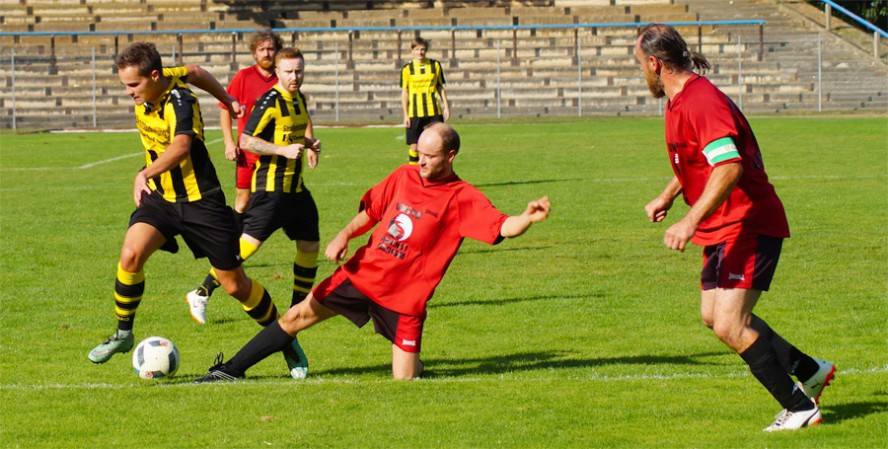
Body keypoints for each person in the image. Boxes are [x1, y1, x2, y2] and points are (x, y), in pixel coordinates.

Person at [192, 122, 550, 382]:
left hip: (405, 298)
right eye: (418, 154)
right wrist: (343, 235)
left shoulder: (463, 197)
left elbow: (502, 227)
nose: (420, 161)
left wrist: (526, 217)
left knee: (404, 380)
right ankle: (229, 370)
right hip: (364, 274)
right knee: (295, 317)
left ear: (451, 156)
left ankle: (415, 363)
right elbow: (372, 212)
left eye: (429, 156)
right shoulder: (404, 176)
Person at [634, 24, 835, 432]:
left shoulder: (699, 101)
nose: (640, 71)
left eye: (640, 64)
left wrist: (688, 221)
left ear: (655, 64)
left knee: (730, 324)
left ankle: (800, 408)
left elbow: (728, 165)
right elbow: (701, 160)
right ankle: (808, 369)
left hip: (748, 221)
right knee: (713, 316)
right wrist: (669, 195)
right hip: (724, 224)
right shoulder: (678, 102)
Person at [87, 43, 304, 379]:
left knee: (235, 286)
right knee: (130, 254)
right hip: (161, 200)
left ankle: (285, 339)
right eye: (125, 86)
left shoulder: (180, 100)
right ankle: (123, 333)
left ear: (154, 76)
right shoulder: (161, 80)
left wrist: (144, 172)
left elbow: (181, 146)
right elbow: (197, 70)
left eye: (133, 85)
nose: (129, 92)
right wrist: (228, 98)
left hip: (202, 203)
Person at [184, 47, 319, 376]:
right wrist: (282, 150)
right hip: (270, 194)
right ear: (279, 71)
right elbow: (247, 140)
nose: (294, 77)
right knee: (241, 253)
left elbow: (295, 131)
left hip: (296, 192)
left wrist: (311, 145)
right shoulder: (269, 101)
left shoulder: (299, 100)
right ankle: (202, 291)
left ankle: (295, 313)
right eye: (289, 72)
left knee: (310, 247)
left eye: (299, 71)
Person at [401, 36, 450, 165]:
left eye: (422, 49)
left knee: (438, 144)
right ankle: (414, 177)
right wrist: (405, 114)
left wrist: (446, 106)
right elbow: (405, 92)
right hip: (414, 112)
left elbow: (440, 87)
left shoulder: (435, 65)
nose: (420, 52)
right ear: (412, 51)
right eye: (417, 49)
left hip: (433, 112)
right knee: (414, 146)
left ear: (426, 50)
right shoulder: (407, 69)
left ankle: (438, 175)